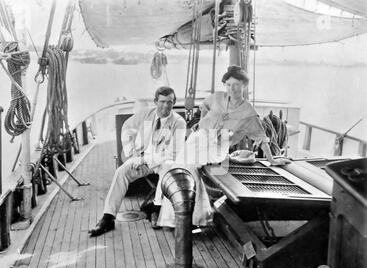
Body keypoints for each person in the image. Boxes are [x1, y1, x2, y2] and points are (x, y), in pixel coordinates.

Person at [157, 65, 291, 228]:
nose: (232, 88)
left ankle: (187, 218)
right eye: (228, 85)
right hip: (198, 139)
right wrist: (201, 123)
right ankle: (180, 218)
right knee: (180, 170)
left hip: (217, 147)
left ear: (244, 85)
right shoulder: (217, 97)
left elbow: (261, 137)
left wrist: (272, 159)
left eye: (236, 85)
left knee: (188, 170)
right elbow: (204, 107)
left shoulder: (248, 111)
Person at [89, 86, 186, 237]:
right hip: (141, 160)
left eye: (170, 102)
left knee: (167, 167)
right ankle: (108, 217)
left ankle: (157, 208)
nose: (166, 106)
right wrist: (131, 155)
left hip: (163, 162)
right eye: (162, 102)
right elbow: (127, 128)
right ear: (155, 101)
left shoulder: (179, 123)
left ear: (174, 102)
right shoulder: (146, 115)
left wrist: (144, 159)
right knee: (121, 172)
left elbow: (172, 153)